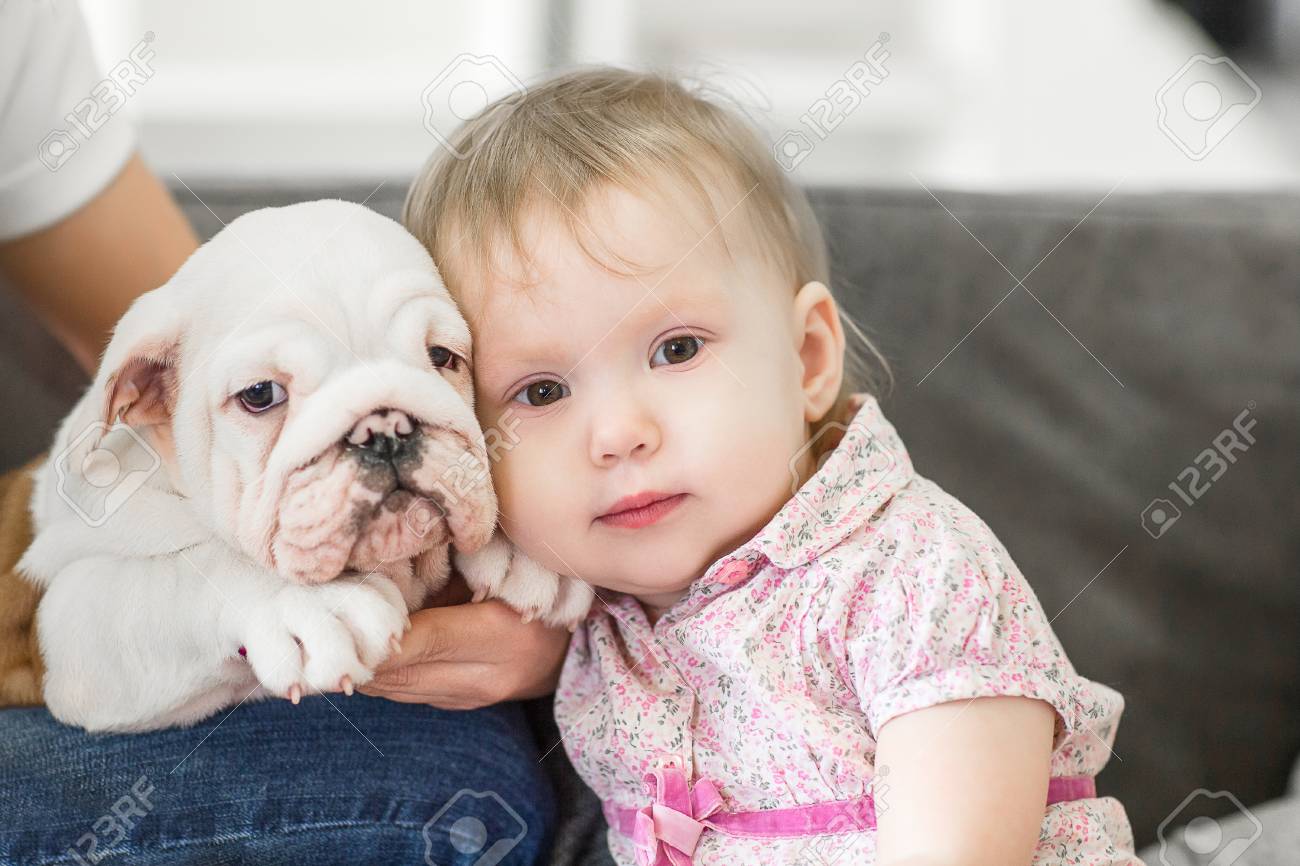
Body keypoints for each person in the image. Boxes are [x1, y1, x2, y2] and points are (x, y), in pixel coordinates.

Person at [395, 66, 1146, 865]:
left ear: (808, 357)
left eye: (675, 349)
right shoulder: (590, 613)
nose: (617, 434)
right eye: (540, 391)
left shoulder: (914, 576)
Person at [0, 3, 563, 863]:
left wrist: (518, 544)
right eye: (265, 395)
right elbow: (78, 659)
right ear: (140, 391)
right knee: (443, 786)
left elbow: (222, 300)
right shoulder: (119, 476)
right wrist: (245, 604)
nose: (381, 433)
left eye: (438, 355)